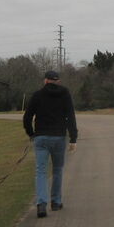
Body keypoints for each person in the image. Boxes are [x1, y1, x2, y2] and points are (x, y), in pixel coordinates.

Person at [22, 70, 78, 218]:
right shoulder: (65, 93)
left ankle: (41, 204)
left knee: (41, 171)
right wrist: (73, 138)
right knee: (57, 170)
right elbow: (71, 116)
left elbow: (27, 117)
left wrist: (31, 133)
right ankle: (56, 202)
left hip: (41, 137)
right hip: (59, 136)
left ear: (45, 80)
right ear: (58, 81)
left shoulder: (38, 95)